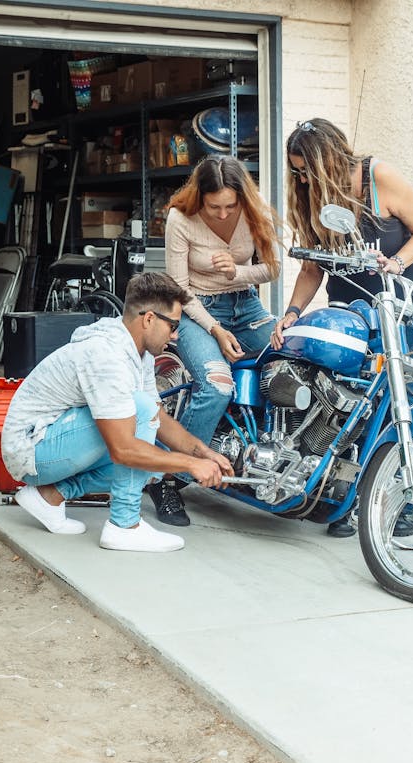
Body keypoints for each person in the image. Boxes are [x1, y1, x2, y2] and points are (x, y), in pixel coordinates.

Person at [270, 118, 413, 537]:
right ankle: (344, 498)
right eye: (297, 171)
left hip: (395, 313)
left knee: (404, 407)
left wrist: (396, 263)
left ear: (329, 161)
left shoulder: (378, 177)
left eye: (307, 170)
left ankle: (406, 502)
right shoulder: (312, 196)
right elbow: (312, 268)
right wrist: (292, 312)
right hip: (347, 315)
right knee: (345, 403)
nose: (302, 179)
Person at [0, 272, 233, 553]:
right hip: (31, 450)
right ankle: (124, 526)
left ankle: (49, 496)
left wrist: (202, 453)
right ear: (149, 319)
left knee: (155, 459)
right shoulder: (106, 355)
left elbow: (158, 419)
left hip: (53, 441)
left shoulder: (139, 352)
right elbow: (123, 449)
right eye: (173, 326)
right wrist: (189, 464)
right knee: (140, 418)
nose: (176, 335)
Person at [148, 154, 282, 528]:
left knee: (291, 362)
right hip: (196, 311)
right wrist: (215, 330)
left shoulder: (256, 211)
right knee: (217, 386)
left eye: (230, 206)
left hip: (246, 305)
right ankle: (166, 480)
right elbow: (179, 289)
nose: (223, 214)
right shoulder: (180, 218)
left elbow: (272, 268)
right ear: (200, 198)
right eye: (214, 207)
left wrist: (238, 271)